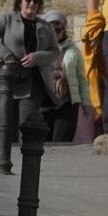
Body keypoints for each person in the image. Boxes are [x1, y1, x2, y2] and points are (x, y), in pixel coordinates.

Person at [0, 0, 59, 216]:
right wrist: (5, 54)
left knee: (27, 122)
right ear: (19, 2)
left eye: (35, 1)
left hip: (32, 82)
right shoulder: (6, 20)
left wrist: (38, 58)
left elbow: (54, 51)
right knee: (6, 124)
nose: (31, 5)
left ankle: (28, 167)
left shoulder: (44, 27)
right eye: (27, 0)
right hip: (9, 78)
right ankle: (3, 161)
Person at [42, 10, 85, 142]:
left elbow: (81, 77)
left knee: (62, 143)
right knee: (41, 145)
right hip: (43, 104)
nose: (55, 33)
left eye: (58, 30)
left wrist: (86, 103)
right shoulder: (37, 48)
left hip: (67, 103)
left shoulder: (73, 50)